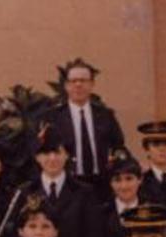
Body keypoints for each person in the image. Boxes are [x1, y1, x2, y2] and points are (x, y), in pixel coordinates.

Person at [20, 126, 102, 237]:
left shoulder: (84, 192)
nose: (52, 158)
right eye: (46, 153)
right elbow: (18, 236)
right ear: (37, 157)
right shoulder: (24, 192)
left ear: (67, 155)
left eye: (58, 152)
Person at [43, 58, 125, 192]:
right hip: (68, 184)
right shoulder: (53, 117)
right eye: (73, 81)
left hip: (101, 184)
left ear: (92, 84)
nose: (78, 85)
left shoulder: (105, 115)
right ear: (66, 85)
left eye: (83, 80)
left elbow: (119, 145)